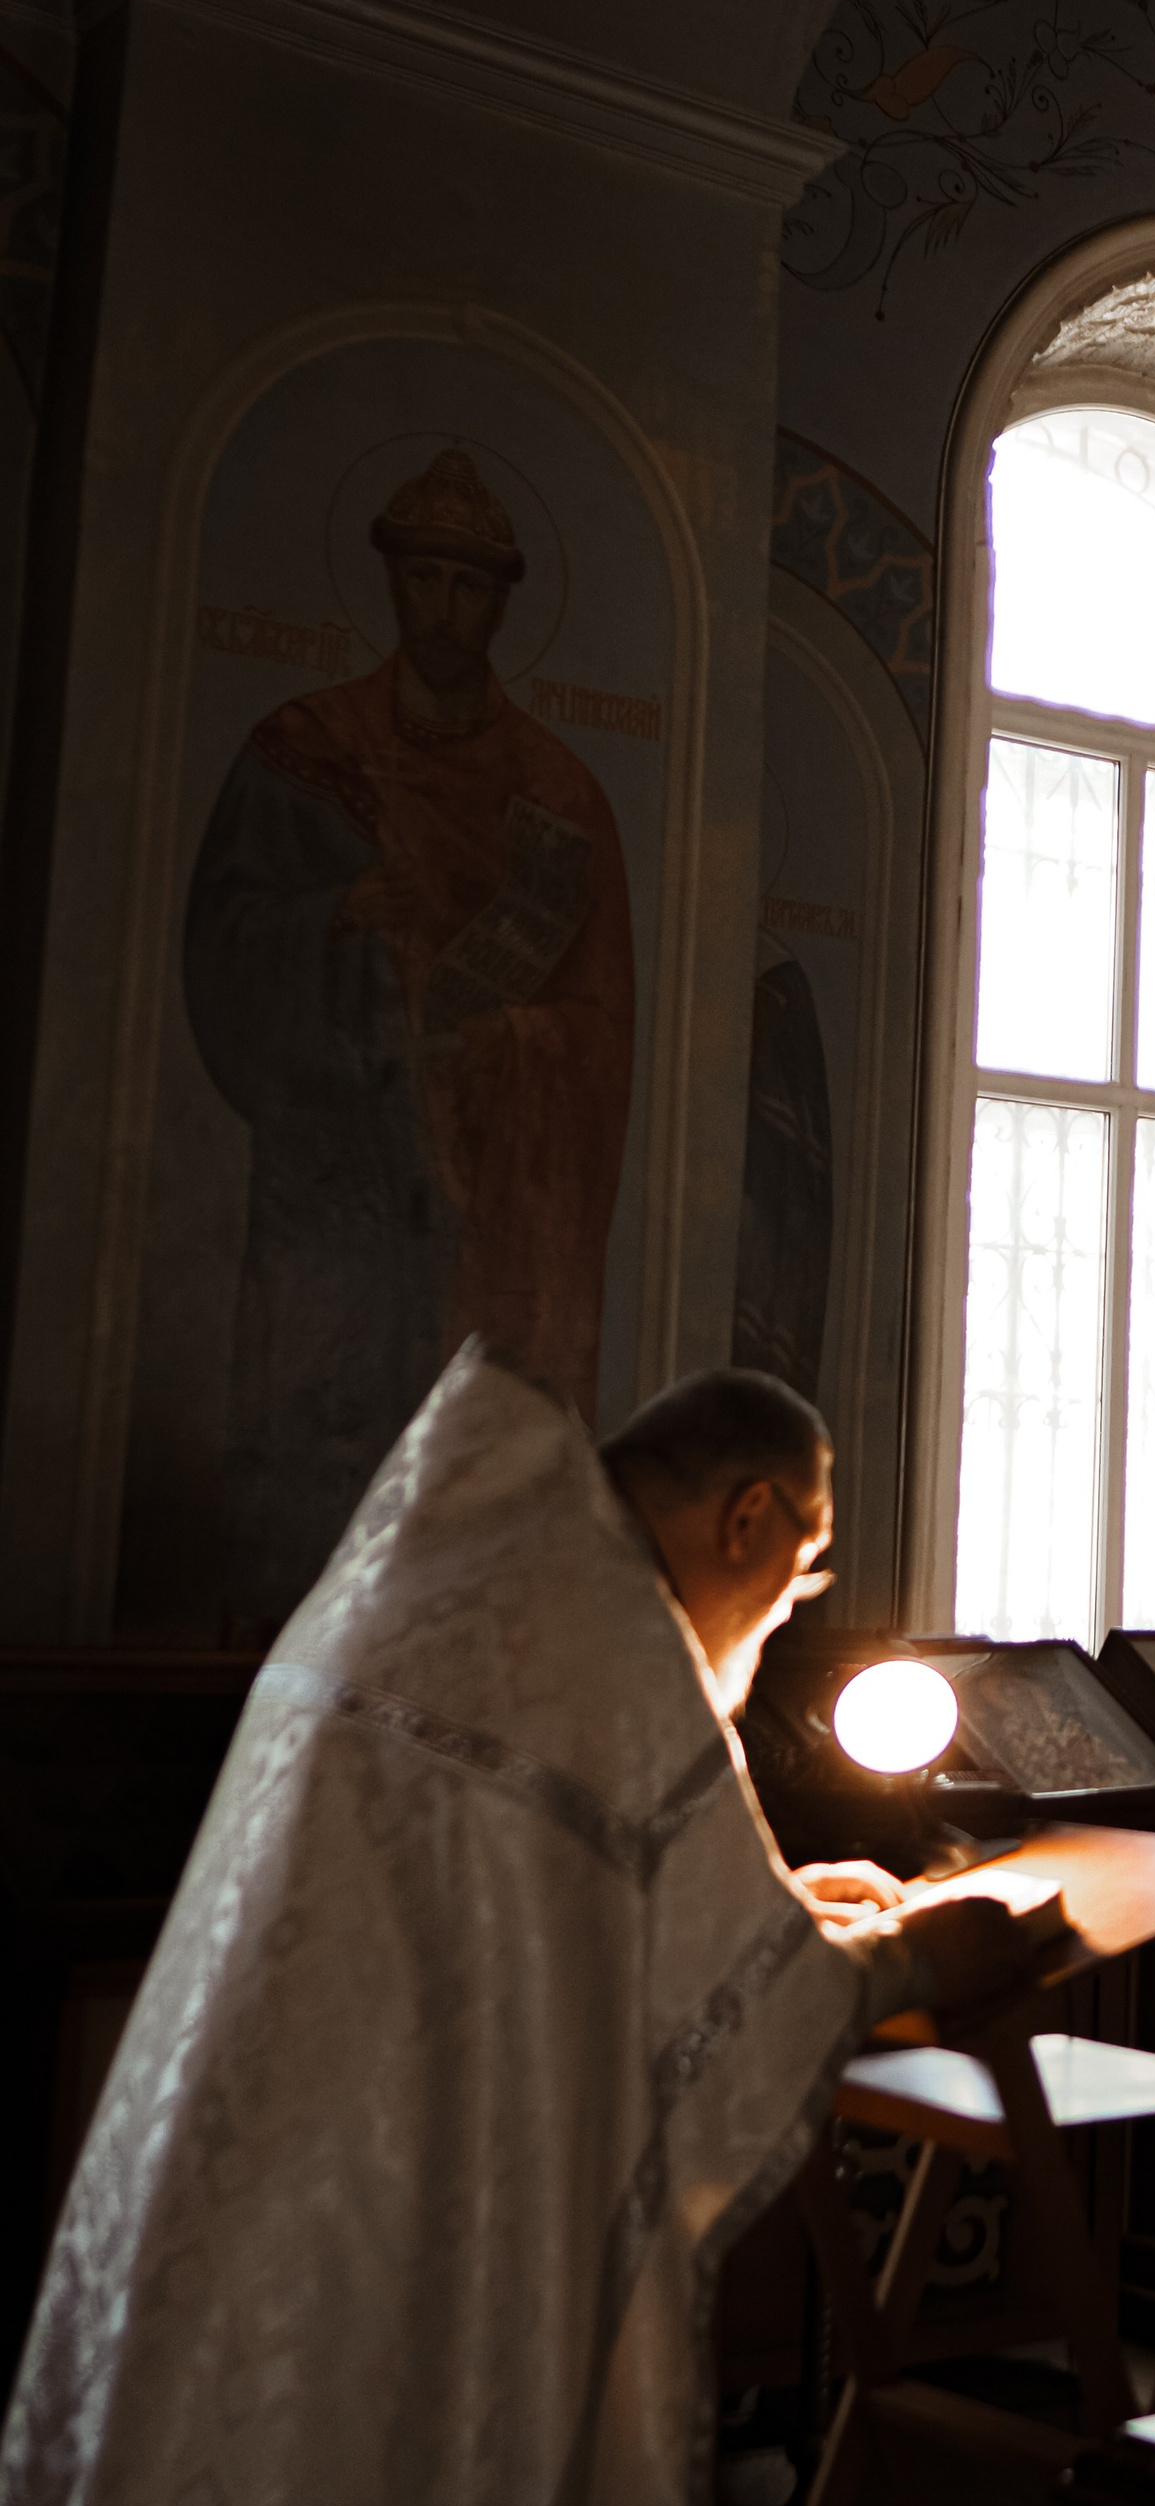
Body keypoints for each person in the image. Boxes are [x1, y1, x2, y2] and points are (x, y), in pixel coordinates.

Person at [0, 1346, 1023, 2506]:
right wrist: (927, 1957)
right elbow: (717, 2004)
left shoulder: (462, 1568)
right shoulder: (603, 1634)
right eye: (797, 1578)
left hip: (238, 2215)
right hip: (382, 2249)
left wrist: (793, 1902)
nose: (782, 1615)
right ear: (747, 1519)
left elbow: (554, 1913)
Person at [184, 444, 636, 1637]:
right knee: (316, 1410)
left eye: (467, 586)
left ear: (501, 602)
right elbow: (221, 943)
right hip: (336, 1162)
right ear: (391, 587)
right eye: (423, 580)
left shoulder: (558, 791)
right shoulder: (305, 753)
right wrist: (332, 913)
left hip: (483, 1184)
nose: (443, 608)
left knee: (457, 1452)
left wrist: (508, 1041)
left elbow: (598, 1023)